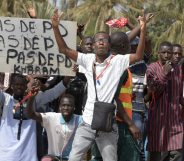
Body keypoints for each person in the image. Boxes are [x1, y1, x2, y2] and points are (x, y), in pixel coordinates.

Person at [51, 9, 146, 161]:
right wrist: (55, 27)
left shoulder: (117, 61)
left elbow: (139, 55)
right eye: (98, 40)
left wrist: (143, 28)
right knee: (74, 158)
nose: (101, 42)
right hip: (87, 123)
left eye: (104, 40)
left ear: (109, 45)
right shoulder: (87, 60)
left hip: (107, 125)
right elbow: (64, 49)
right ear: (94, 45)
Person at [0, 74, 68, 161]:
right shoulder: (5, 99)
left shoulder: (34, 100)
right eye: (16, 84)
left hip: (28, 156)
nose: (19, 87)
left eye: (22, 85)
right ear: (11, 86)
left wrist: (69, 76)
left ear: (26, 86)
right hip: (5, 155)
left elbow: (54, 93)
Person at [146, 41, 183, 161]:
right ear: (158, 53)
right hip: (158, 120)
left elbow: (178, 94)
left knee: (177, 153)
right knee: (158, 155)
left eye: (169, 53)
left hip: (175, 120)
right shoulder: (152, 68)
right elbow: (153, 93)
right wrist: (164, 73)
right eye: (164, 52)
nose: (167, 55)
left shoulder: (177, 69)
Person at [110, 31, 142, 161]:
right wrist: (131, 124)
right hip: (120, 122)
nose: (131, 47)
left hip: (117, 120)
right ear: (124, 46)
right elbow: (114, 97)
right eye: (129, 44)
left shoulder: (107, 63)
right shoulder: (120, 67)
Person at [27, 94, 82, 160]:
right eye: (63, 105)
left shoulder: (80, 120)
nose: (66, 108)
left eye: (69, 105)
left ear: (74, 107)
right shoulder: (51, 117)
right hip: (54, 158)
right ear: (60, 107)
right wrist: (31, 98)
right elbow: (31, 115)